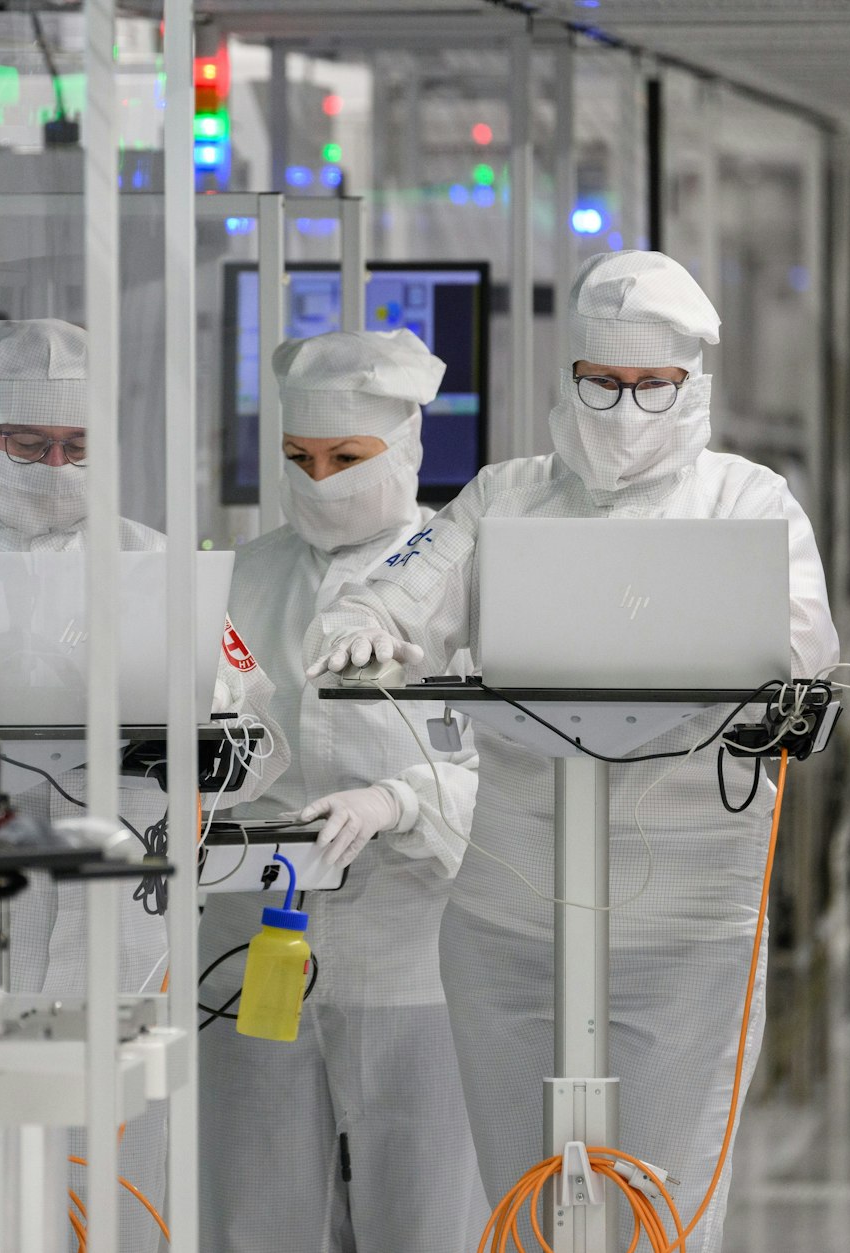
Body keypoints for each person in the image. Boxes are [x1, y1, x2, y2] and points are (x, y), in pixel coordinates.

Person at [304, 252, 840, 1253]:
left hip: (689, 926)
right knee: (523, 1204)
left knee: (662, 1211)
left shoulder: (747, 500)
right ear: (570, 375)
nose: (625, 409)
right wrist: (364, 624)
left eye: (652, 385)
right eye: (603, 382)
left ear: (692, 384)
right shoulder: (503, 497)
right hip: (512, 920)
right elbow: (399, 590)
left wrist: (708, 653)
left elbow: (804, 645)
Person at [0, 317, 289, 1253]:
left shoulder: (154, 558)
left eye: (76, 448)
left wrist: (188, 712)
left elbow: (248, 710)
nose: (54, 467)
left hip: (124, 923)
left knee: (122, 1165)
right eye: (28, 444)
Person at [199, 329, 487, 1251]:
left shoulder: (463, 577)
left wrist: (401, 800)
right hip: (251, 950)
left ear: (404, 449)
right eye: (300, 458)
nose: (320, 479)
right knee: (257, 1214)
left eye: (346, 458)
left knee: (426, 1217)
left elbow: (519, 768)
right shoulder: (241, 577)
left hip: (414, 953)